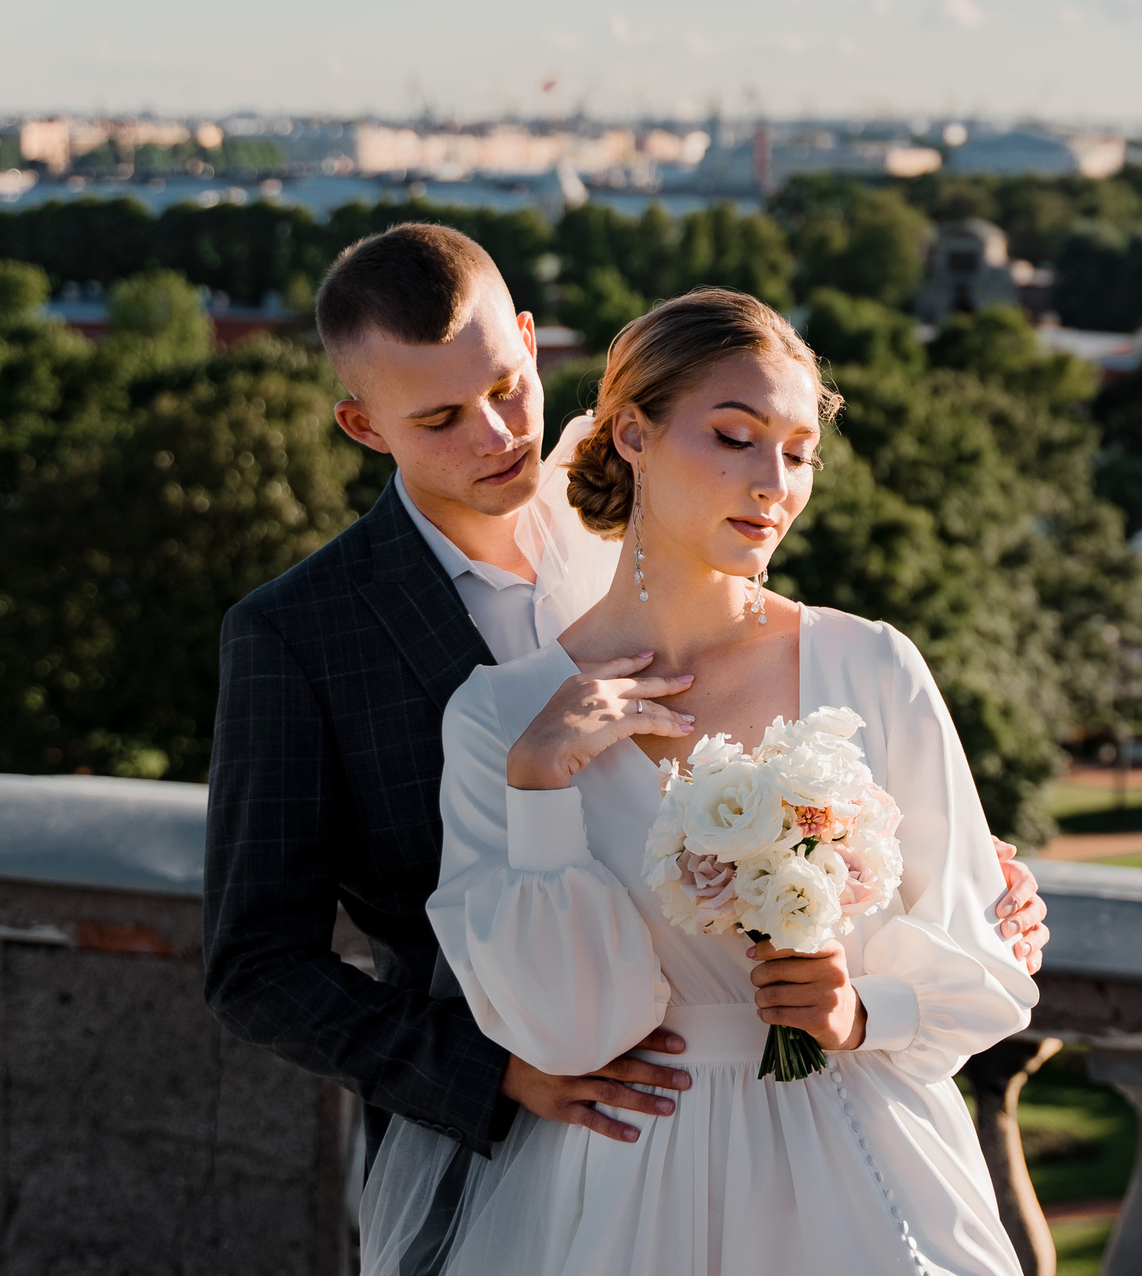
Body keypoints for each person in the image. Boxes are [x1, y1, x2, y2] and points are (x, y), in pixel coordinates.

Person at [204, 226, 1047, 1187]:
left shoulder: (666, 488)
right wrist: (497, 1072)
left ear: (528, 339)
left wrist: (929, 869)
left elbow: (803, 696)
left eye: (507, 387)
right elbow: (255, 964)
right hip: (524, 1134)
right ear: (364, 426)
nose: (496, 434)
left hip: (801, 1109)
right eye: (440, 419)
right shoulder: (299, 633)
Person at [361, 287, 1036, 1276]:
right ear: (630, 432)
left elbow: (981, 952)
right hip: (630, 1185)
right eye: (735, 436)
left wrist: (857, 1011)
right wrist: (540, 790)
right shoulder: (501, 723)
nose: (775, 482)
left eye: (799, 452)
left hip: (862, 1171)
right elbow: (568, 1031)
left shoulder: (873, 667)